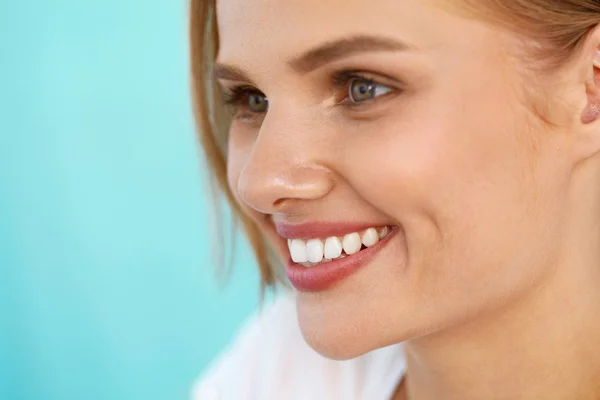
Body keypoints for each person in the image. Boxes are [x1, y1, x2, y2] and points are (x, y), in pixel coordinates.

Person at [190, 0, 600, 398]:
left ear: (591, 85)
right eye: (252, 99)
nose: (258, 183)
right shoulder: (270, 376)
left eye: (363, 88)